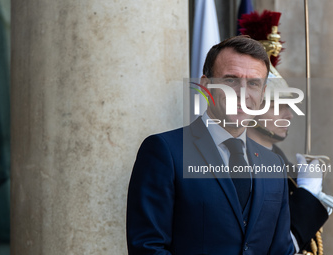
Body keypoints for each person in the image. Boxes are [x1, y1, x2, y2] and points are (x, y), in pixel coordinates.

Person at [127, 36, 294, 254]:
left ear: (262, 94)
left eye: (253, 83)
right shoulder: (164, 151)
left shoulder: (274, 163)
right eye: (231, 80)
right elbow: (147, 247)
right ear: (206, 86)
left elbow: (282, 250)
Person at [240, 10, 330, 254]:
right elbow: (275, 246)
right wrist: (309, 194)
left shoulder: (281, 163)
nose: (288, 115)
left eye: (289, 107)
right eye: (277, 106)